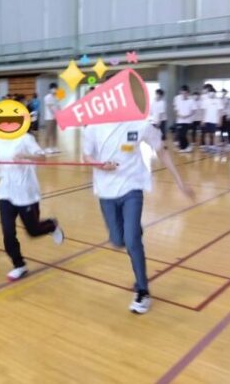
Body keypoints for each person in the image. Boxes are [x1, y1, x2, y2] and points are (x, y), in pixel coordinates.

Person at [82, 120, 195, 314]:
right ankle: (133, 230)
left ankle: (143, 291)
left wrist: (180, 182)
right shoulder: (92, 127)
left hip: (132, 188)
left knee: (132, 240)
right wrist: (99, 165)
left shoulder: (140, 125)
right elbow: (86, 155)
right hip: (106, 192)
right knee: (117, 240)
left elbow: (161, 151)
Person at [0, 132, 64, 281]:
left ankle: (51, 226)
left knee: (33, 230)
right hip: (5, 193)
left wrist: (25, 156)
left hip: (26, 193)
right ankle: (19, 265)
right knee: (8, 233)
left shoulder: (25, 138)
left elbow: (42, 158)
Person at [173, 86, 196, 153]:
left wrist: (187, 115)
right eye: (182, 93)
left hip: (187, 121)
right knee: (180, 134)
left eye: (185, 93)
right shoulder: (177, 99)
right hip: (179, 120)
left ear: (188, 93)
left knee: (183, 134)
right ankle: (183, 147)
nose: (184, 95)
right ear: (180, 92)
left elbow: (194, 110)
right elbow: (175, 109)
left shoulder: (191, 100)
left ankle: (187, 146)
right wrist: (178, 115)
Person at [201, 86, 223, 152]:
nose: (211, 93)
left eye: (213, 92)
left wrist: (220, 120)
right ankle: (207, 147)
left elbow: (220, 111)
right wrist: (203, 120)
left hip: (214, 120)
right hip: (207, 120)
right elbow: (204, 111)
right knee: (207, 134)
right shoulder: (205, 101)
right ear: (208, 93)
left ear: (215, 93)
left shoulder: (218, 101)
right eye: (210, 92)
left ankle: (213, 146)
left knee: (213, 134)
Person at [44, 83, 60, 153]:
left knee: (54, 133)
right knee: (48, 132)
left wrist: (59, 113)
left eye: (56, 88)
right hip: (49, 117)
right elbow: (50, 107)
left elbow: (58, 106)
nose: (55, 90)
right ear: (50, 89)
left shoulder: (57, 97)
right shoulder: (47, 97)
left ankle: (54, 147)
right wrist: (54, 114)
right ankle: (47, 147)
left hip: (56, 117)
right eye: (53, 88)